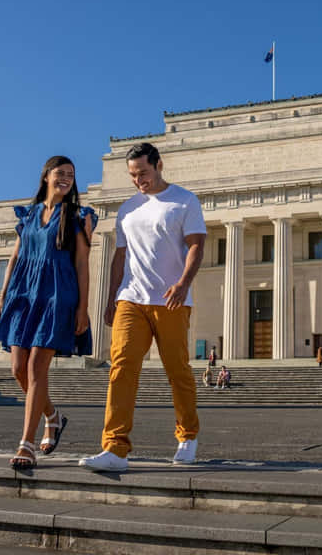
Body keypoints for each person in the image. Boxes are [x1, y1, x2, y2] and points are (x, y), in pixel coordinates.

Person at [80, 143, 206, 472]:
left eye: (143, 173)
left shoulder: (184, 201)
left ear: (159, 165)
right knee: (121, 367)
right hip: (131, 298)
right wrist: (112, 298)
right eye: (133, 176)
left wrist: (183, 284)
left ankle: (187, 435)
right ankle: (114, 447)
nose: (139, 181)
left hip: (170, 299)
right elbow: (120, 256)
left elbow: (197, 246)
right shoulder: (127, 209)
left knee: (177, 370)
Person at [0, 155, 96, 469]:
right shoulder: (28, 215)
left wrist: (82, 308)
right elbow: (15, 258)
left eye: (71, 175)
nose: (65, 178)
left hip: (57, 294)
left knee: (37, 367)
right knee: (18, 369)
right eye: (60, 173)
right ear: (46, 176)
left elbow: (82, 264)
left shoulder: (78, 216)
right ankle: (52, 415)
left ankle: (26, 444)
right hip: (23, 293)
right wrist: (3, 297)